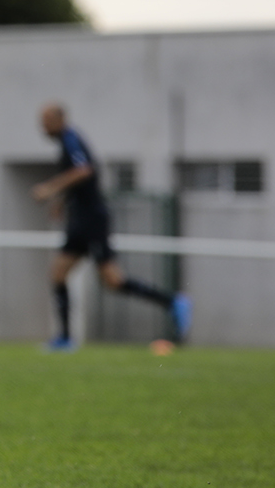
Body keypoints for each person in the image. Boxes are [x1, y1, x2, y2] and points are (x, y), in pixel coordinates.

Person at [32, 104, 191, 349]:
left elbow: (84, 170)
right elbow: (81, 178)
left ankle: (172, 302)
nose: (42, 128)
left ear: (59, 119)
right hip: (80, 219)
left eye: (45, 122)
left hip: (91, 220)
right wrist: (62, 201)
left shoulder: (71, 139)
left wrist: (51, 187)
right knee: (58, 274)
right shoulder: (66, 141)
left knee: (113, 281)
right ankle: (64, 338)